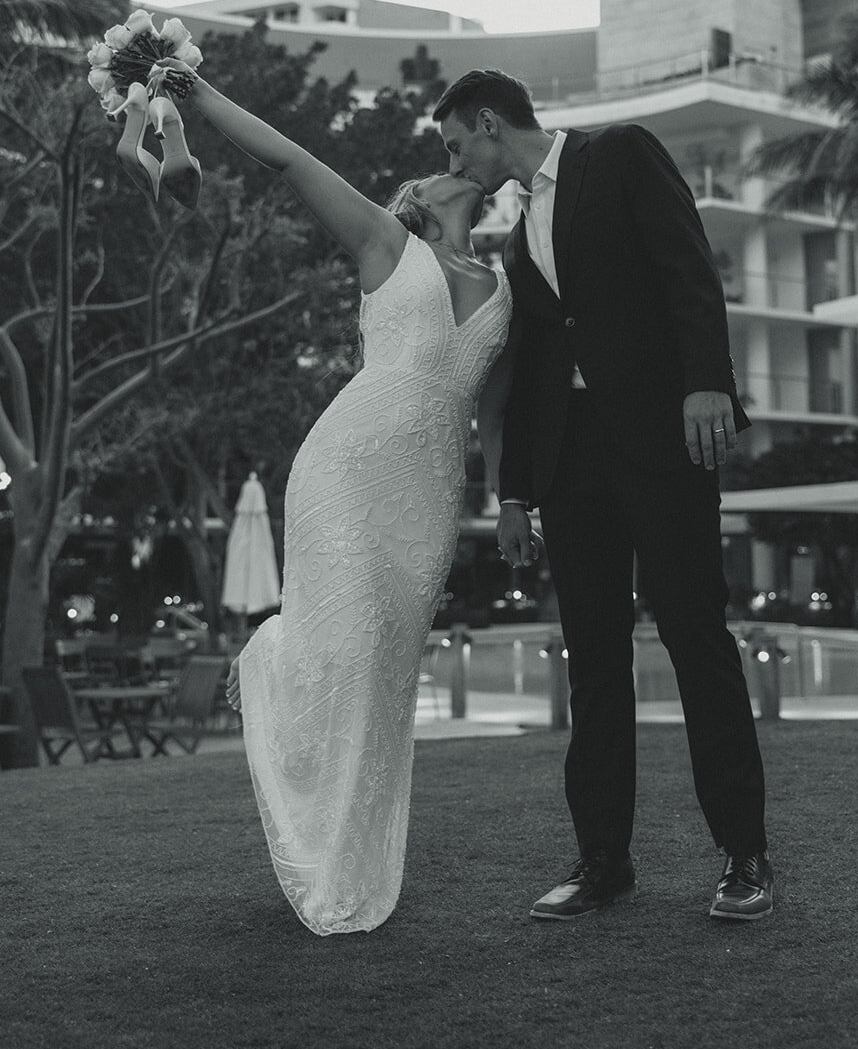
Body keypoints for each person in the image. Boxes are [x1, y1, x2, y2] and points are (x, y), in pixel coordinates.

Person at [149, 57, 515, 935]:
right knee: (344, 653)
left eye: (458, 152)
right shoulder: (387, 245)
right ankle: (273, 681)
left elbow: (495, 419)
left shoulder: (506, 292)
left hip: (429, 498)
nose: (451, 162)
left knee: (386, 675)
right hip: (345, 469)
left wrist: (510, 504)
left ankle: (355, 861)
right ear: (417, 198)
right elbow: (286, 158)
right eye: (434, 163)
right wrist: (197, 98)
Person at [434, 68, 773, 922]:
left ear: (486, 122)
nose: (455, 161)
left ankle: (744, 856)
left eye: (453, 144)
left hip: (665, 441)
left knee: (697, 641)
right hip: (572, 468)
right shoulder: (513, 239)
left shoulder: (618, 155)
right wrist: (513, 496)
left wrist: (708, 385)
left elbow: (687, 269)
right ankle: (601, 864)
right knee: (592, 662)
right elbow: (528, 374)